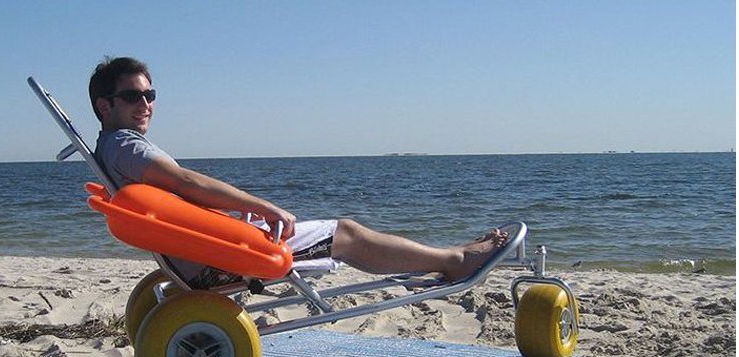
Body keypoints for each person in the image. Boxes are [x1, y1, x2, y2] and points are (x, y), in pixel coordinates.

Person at [89, 56, 507, 283]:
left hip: (198, 257)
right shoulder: (126, 145)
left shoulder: (110, 147)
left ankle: (446, 257)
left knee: (340, 232)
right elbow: (185, 182)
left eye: (150, 95)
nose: (146, 105)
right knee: (347, 234)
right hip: (216, 262)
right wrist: (262, 206)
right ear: (105, 106)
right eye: (133, 97)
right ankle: (453, 260)